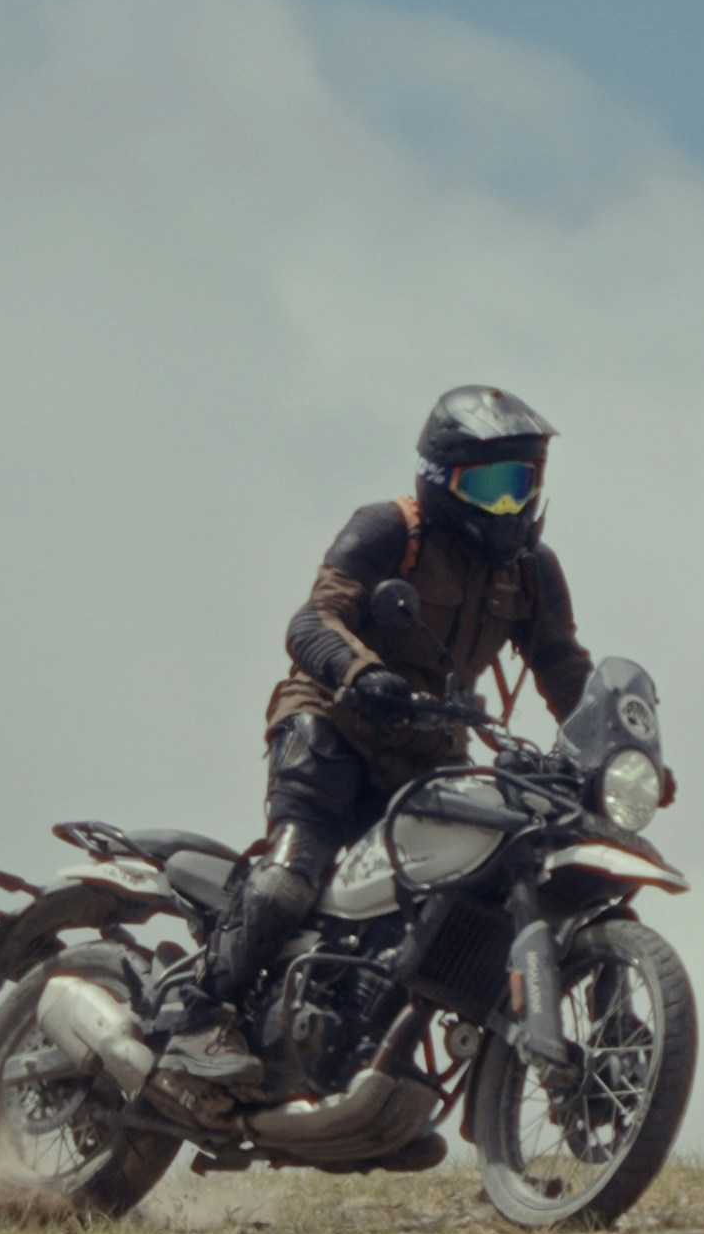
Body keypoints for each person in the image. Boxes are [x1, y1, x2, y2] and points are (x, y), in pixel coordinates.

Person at [151, 385, 603, 1090]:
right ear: (440, 478)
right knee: (293, 873)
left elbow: (563, 666)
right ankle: (200, 1016)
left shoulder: (531, 573)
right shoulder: (390, 530)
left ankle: (366, 1057)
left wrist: (612, 749)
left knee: (440, 906)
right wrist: (362, 673)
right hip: (332, 727)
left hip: (429, 761)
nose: (506, 507)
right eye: (487, 487)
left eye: (519, 485)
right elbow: (312, 621)